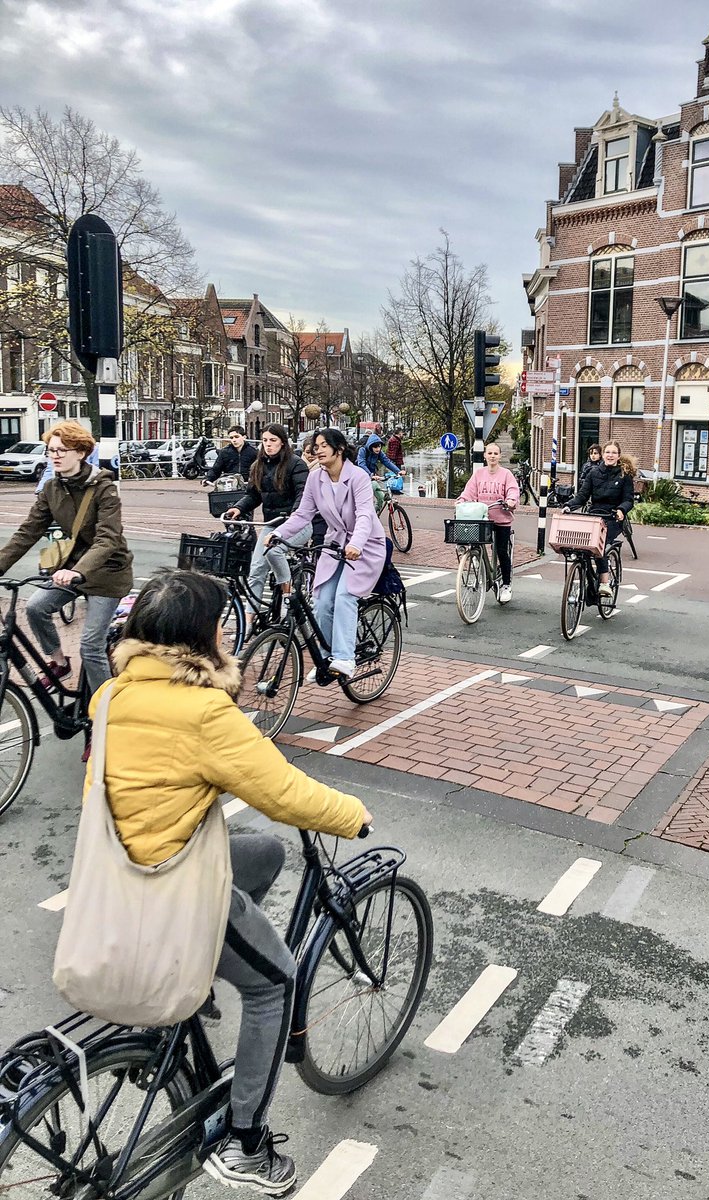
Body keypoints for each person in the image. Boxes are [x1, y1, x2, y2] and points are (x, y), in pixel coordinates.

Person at [97, 569, 372, 1195]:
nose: (231, 632)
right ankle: (245, 1144)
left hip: (119, 876)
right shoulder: (203, 712)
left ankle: (194, 983)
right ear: (199, 639)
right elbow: (283, 792)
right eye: (222, 624)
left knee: (264, 854)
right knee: (277, 980)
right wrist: (353, 815)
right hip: (175, 889)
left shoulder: (112, 695)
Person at [0, 421, 133, 694]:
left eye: (63, 449)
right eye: (51, 450)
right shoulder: (52, 489)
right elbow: (28, 532)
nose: (56, 455)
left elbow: (107, 538)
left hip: (108, 572)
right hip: (73, 569)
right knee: (36, 607)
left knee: (91, 645)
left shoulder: (104, 488)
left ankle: (104, 713)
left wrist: (78, 572)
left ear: (81, 452)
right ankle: (60, 662)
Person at [271, 428, 386, 680]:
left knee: (345, 595)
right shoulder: (316, 479)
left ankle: (345, 657)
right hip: (335, 544)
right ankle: (325, 657)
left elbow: (366, 514)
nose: (317, 450)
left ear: (340, 449)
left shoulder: (357, 477)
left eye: (323, 445)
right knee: (322, 599)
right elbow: (303, 514)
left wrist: (356, 544)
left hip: (364, 546)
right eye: (316, 446)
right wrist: (279, 534)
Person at [223, 426, 310, 620]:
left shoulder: (296, 465)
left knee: (274, 551)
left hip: (297, 524)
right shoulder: (258, 466)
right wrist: (238, 508)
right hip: (272, 524)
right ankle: (249, 619)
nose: (268, 445)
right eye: (265, 440)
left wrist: (295, 514)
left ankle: (287, 600)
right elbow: (253, 495)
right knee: (256, 569)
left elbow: (303, 493)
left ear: (282, 442)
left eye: (273, 440)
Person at [565, 440, 636, 597]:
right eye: (607, 452)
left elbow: (628, 499)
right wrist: (569, 506)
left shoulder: (624, 475)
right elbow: (583, 495)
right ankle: (583, 572)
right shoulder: (593, 473)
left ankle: (604, 582)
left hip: (613, 517)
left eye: (613, 453)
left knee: (600, 545)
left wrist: (621, 510)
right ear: (603, 454)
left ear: (618, 456)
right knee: (580, 545)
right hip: (595, 515)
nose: (610, 455)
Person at [457, 442, 520, 603]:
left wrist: (511, 501)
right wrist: (462, 500)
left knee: (501, 550)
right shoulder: (479, 474)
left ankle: (506, 584)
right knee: (474, 544)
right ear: (484, 455)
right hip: (482, 518)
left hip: (501, 519)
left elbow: (513, 490)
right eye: (489, 453)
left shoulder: (506, 474)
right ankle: (480, 568)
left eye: (495, 453)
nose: (492, 456)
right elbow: (469, 491)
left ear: (500, 456)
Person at [357, 432, 402, 513]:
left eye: (379, 446)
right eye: (375, 447)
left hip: (371, 478)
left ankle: (374, 515)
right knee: (367, 499)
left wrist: (398, 471)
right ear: (370, 446)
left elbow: (387, 462)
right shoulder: (363, 450)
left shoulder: (379, 453)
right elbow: (361, 464)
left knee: (381, 498)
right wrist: (370, 474)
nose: (378, 449)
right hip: (360, 478)